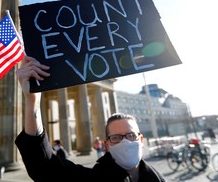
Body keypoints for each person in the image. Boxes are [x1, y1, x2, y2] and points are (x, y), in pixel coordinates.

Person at [15, 56, 166, 182]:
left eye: (131, 135)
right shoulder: (92, 179)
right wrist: (32, 102)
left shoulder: (159, 179)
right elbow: (44, 167)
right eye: (116, 137)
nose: (125, 142)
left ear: (141, 139)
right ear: (107, 144)